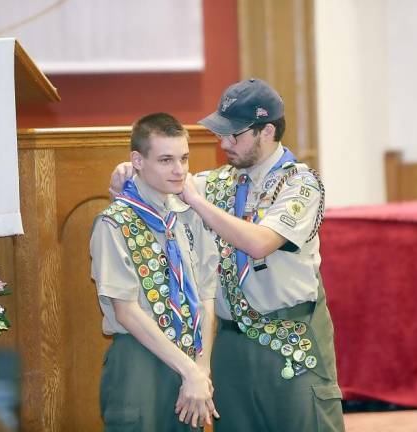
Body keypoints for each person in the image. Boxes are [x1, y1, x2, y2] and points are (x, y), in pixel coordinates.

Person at [111, 79, 345, 432]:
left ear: (267, 131)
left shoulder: (301, 183)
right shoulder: (217, 181)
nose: (224, 144)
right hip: (231, 343)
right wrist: (126, 177)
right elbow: (152, 196)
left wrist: (198, 202)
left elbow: (260, 242)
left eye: (234, 135)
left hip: (292, 340)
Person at [91, 113, 220, 431]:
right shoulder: (115, 222)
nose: (179, 170)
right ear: (137, 160)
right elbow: (126, 311)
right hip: (140, 358)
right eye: (165, 160)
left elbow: (206, 296)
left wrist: (200, 369)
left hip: (190, 357)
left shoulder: (189, 214)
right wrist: (190, 370)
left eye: (184, 158)